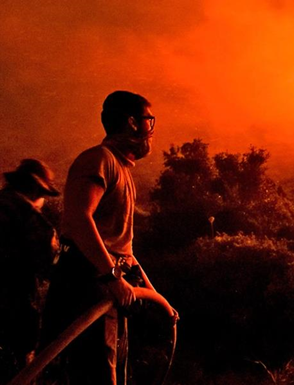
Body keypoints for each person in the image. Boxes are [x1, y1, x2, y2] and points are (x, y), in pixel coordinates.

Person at [41, 90, 162, 385]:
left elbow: (121, 246)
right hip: (86, 281)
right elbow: (79, 219)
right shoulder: (98, 160)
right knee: (94, 372)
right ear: (133, 122)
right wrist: (111, 277)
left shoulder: (121, 169)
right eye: (149, 121)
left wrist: (154, 293)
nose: (151, 130)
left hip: (107, 282)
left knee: (111, 367)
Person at [0, 159, 60, 382]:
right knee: (21, 372)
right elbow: (48, 269)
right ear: (36, 189)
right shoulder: (34, 223)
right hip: (15, 313)